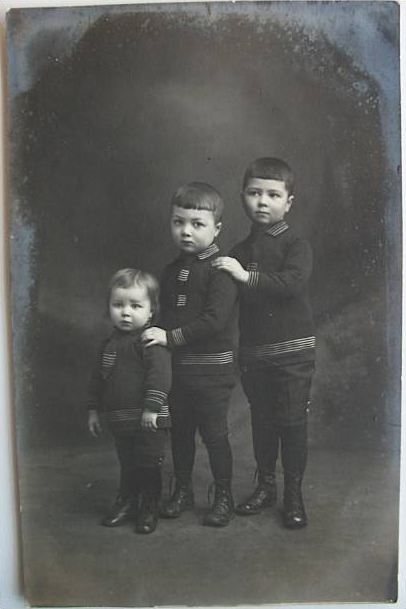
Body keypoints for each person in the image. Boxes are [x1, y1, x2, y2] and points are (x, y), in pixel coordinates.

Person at [213, 157, 316, 529]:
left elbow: (291, 285)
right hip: (255, 355)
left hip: (293, 353)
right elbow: (223, 306)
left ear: (288, 202)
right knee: (262, 423)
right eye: (255, 193)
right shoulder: (239, 250)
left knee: (291, 423)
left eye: (273, 194)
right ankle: (267, 486)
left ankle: (294, 494)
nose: (263, 201)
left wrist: (243, 275)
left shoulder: (296, 245)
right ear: (243, 197)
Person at [142, 182, 239, 527]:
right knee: (180, 434)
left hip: (213, 373)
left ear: (217, 229)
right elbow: (165, 317)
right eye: (178, 222)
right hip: (179, 373)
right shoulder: (170, 272)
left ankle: (224, 495)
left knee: (214, 435)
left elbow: (213, 322)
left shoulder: (221, 270)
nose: (186, 231)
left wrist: (169, 337)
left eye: (197, 224)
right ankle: (182, 490)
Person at [87, 268, 171, 534]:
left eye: (136, 306)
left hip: (149, 420)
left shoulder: (150, 343)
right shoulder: (109, 344)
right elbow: (98, 381)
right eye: (118, 305)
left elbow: (160, 377)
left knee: (148, 463)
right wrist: (93, 410)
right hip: (121, 420)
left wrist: (152, 408)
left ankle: (149, 506)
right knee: (128, 463)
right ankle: (127, 502)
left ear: (151, 311)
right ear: (109, 307)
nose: (126, 312)